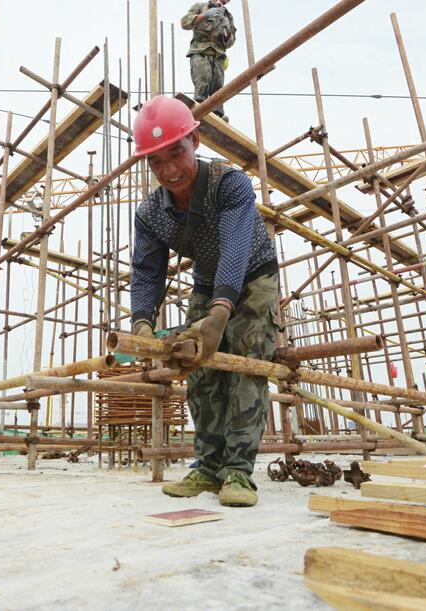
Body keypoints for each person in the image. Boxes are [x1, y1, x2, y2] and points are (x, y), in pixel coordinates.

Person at [130, 95, 280, 507]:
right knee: (198, 367)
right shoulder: (150, 214)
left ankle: (238, 471)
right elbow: (147, 272)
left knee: (248, 363)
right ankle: (209, 467)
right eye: (155, 162)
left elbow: (234, 249)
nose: (169, 170)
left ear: (194, 140)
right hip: (207, 281)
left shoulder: (228, 184)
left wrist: (219, 316)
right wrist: (141, 323)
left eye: (175, 153)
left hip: (253, 275)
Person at [180, 0, 236, 121]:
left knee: (218, 86)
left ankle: (218, 114)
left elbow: (230, 42)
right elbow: (184, 23)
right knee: (203, 81)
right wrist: (204, 15)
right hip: (200, 51)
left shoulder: (227, 16)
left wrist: (227, 32)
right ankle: (199, 108)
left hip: (218, 55)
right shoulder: (201, 6)